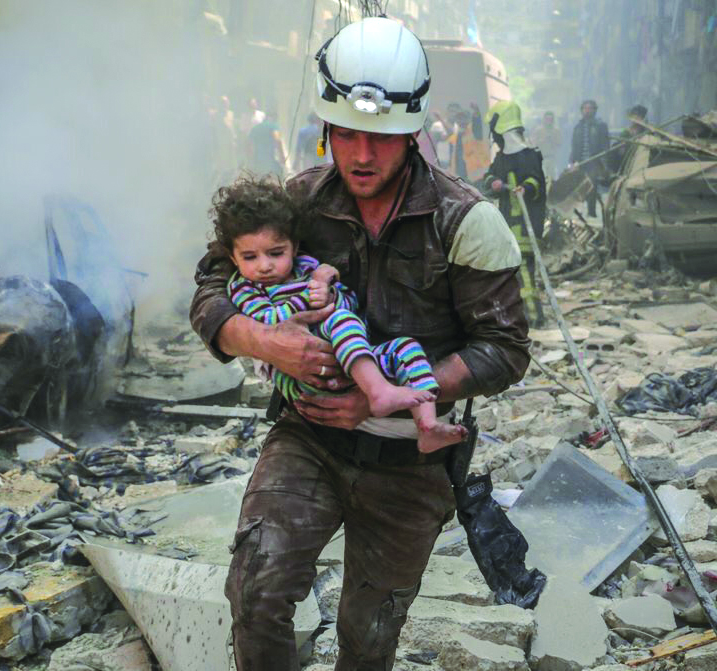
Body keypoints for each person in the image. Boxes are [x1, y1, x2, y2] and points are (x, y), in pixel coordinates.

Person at [190, 17, 529, 671]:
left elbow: (504, 347)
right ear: (325, 127)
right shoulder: (298, 203)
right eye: (345, 132)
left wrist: (395, 400)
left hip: (410, 464)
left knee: (367, 638)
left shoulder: (468, 222)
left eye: (379, 137)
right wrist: (264, 340)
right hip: (306, 440)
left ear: (412, 131)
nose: (361, 155)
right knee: (255, 594)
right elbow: (213, 281)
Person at [213, 177, 469, 453]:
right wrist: (309, 299)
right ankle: (379, 391)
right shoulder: (244, 286)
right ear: (233, 256)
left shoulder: (306, 268)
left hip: (351, 357)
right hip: (304, 377)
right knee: (339, 320)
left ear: (294, 246)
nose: (264, 266)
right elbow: (268, 321)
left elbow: (350, 301)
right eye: (250, 257)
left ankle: (427, 426)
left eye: (276, 253)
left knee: (406, 347)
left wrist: (332, 294)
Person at [484, 100, 547, 326]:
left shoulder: (529, 155)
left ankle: (534, 318)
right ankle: (516, 317)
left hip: (526, 224)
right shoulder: (502, 158)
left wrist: (526, 188)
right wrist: (494, 184)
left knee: (527, 275)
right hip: (507, 225)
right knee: (510, 273)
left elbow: (538, 181)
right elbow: (487, 178)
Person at [569, 99, 609, 217]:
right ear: (581, 110)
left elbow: (605, 144)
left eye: (590, 108)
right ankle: (579, 211)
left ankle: (591, 212)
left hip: (594, 161)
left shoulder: (600, 126)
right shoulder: (578, 127)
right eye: (585, 108)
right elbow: (574, 145)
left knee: (591, 185)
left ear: (594, 110)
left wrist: (604, 162)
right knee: (580, 186)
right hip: (580, 162)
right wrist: (572, 161)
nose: (587, 110)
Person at [609, 104, 647, 175]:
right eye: (634, 116)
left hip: (641, 159)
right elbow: (620, 148)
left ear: (642, 118)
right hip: (627, 161)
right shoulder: (626, 132)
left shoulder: (646, 131)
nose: (636, 118)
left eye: (639, 116)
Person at [249, 110, 288, 177]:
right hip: (270, 160)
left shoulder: (255, 128)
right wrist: (282, 156)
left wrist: (250, 160)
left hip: (257, 161)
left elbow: (249, 144)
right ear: (273, 117)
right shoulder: (274, 126)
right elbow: (278, 140)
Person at [532, 111, 561, 180]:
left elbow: (559, 143)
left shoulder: (556, 130)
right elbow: (533, 143)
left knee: (552, 178)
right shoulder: (538, 130)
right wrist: (542, 140)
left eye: (550, 119)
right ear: (544, 119)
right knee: (543, 178)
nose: (549, 121)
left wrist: (552, 140)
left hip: (552, 158)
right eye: (547, 119)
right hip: (541, 158)